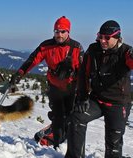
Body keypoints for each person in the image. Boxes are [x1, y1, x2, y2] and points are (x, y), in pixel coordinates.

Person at [10, 16, 84, 149]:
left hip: (71, 88)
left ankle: (57, 136)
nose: (59, 35)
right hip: (54, 86)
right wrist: (19, 74)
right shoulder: (46, 46)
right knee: (59, 116)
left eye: (63, 31)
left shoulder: (76, 48)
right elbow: (32, 60)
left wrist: (84, 90)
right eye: (56, 31)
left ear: (68, 32)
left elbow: (83, 71)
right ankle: (53, 141)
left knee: (70, 116)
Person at [65, 20, 133, 158]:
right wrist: (83, 97)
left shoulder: (125, 52)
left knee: (113, 145)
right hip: (97, 99)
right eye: (100, 36)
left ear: (117, 37)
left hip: (118, 104)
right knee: (76, 118)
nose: (102, 40)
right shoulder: (93, 50)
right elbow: (84, 74)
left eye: (107, 38)